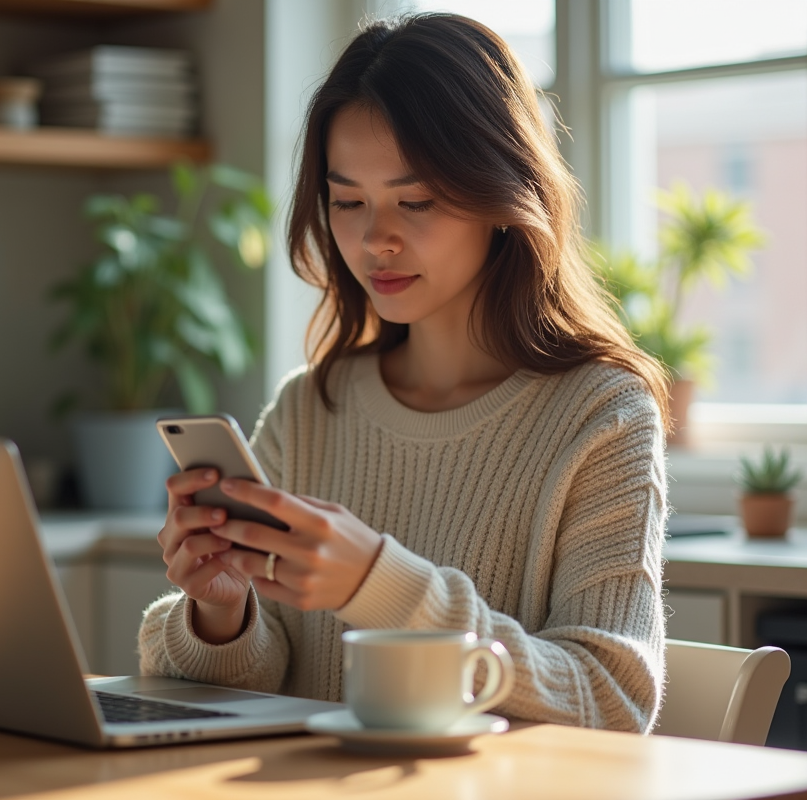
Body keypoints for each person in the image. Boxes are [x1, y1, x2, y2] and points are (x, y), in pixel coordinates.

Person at [139, 12, 669, 733]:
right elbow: (250, 682)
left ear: (504, 196)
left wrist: (381, 585)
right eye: (348, 201)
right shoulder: (311, 408)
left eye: (415, 201)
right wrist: (222, 612)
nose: (373, 238)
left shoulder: (601, 416)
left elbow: (612, 700)